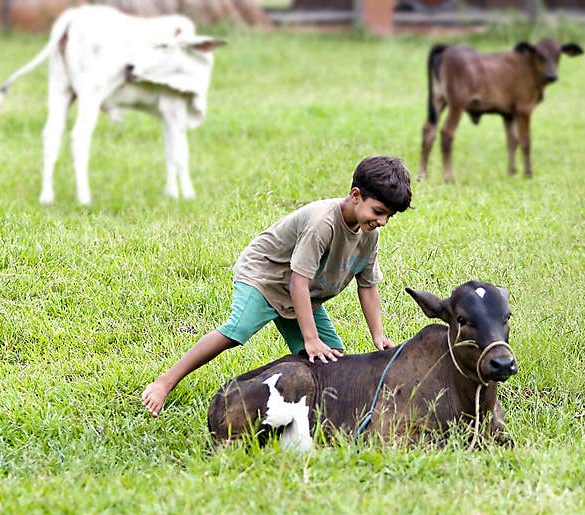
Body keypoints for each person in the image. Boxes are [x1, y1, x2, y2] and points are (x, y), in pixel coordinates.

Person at [141, 155, 413, 416]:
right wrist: (310, 339)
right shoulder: (323, 222)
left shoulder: (369, 235)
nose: (383, 221)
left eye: (389, 216)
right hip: (265, 276)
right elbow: (298, 280)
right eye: (378, 212)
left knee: (333, 357)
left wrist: (377, 335)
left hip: (302, 290)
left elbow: (367, 286)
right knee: (237, 330)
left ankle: (308, 409)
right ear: (356, 195)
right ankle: (166, 381)